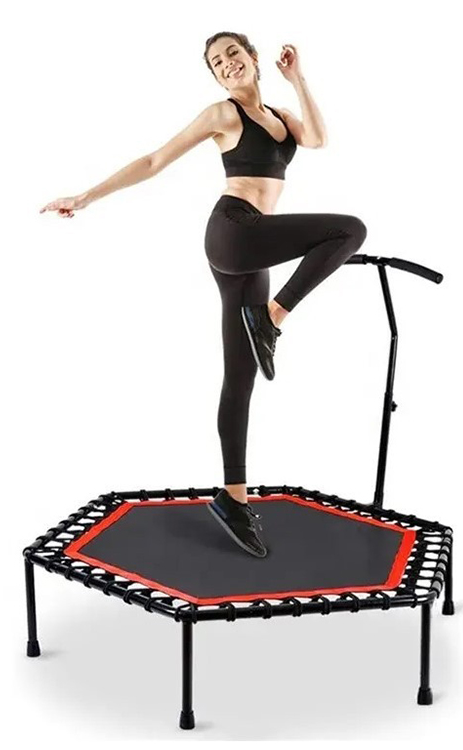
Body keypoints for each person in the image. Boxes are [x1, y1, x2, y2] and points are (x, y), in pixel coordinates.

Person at [40, 32, 368, 559]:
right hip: (234, 230)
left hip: (252, 249)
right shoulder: (222, 114)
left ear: (253, 58)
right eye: (217, 62)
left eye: (233, 53)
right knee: (348, 229)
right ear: (216, 77)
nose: (227, 64)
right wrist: (85, 196)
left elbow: (318, 139)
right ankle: (272, 319)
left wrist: (298, 78)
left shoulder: (281, 116)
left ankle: (233, 498)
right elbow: (155, 161)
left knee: (240, 377)